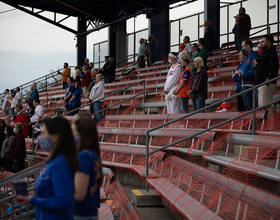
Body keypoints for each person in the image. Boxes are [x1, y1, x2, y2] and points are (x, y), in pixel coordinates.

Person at [16, 117, 79, 220]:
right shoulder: (54, 161)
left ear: (54, 137)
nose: (40, 137)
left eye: (43, 133)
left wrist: (32, 200)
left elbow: (64, 202)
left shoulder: (59, 165)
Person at [71, 113, 102, 220]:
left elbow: (79, 194)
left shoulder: (83, 156)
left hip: (80, 213)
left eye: (73, 133)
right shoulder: (91, 153)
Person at [255, 35, 279, 123]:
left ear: (268, 43)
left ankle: (273, 127)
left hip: (266, 83)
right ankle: (269, 126)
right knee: (264, 106)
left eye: (263, 42)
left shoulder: (272, 53)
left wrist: (268, 79)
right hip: (261, 84)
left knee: (267, 105)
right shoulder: (265, 53)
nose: (261, 43)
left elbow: (272, 66)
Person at [239, 39, 258, 111]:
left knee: (251, 107)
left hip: (249, 85)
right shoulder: (246, 57)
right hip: (243, 85)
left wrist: (243, 75)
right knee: (246, 107)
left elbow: (254, 70)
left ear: (248, 46)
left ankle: (255, 121)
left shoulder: (253, 56)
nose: (242, 48)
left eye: (243, 46)